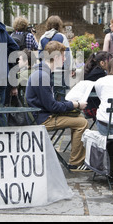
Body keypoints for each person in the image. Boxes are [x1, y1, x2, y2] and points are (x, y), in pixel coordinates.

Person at [26, 41, 89, 171]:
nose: (65, 59)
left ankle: (76, 160)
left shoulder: (42, 72)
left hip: (41, 114)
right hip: (42, 119)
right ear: (56, 58)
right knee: (82, 122)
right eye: (63, 56)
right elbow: (52, 106)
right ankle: (75, 163)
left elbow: (50, 103)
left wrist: (72, 105)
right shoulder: (43, 75)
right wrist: (75, 104)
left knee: (79, 117)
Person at [83, 51, 109, 119]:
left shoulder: (91, 70)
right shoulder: (100, 73)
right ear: (102, 63)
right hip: (93, 109)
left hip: (87, 106)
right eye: (109, 61)